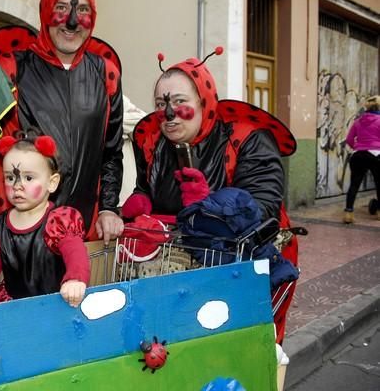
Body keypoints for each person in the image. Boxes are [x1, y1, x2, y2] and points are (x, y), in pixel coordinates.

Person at [122, 49, 299, 342]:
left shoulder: (246, 138)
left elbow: (265, 208)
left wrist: (209, 206)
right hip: (177, 270)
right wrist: (139, 202)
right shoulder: (153, 142)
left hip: (246, 271)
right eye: (160, 104)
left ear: (204, 102)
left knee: (243, 349)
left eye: (180, 102)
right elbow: (148, 189)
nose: (169, 114)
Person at [0, 0, 124, 244]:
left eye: (82, 10)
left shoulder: (106, 74)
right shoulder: (11, 69)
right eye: (61, 7)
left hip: (83, 228)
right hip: (23, 228)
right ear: (46, 8)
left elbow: (111, 151)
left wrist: (109, 207)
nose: (72, 22)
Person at [0, 132, 90, 308]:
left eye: (28, 178)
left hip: (55, 304)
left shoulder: (59, 222)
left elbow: (77, 255)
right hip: (14, 307)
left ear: (52, 182)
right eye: (10, 178)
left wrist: (75, 279)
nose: (17, 185)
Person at [343, 95, 380, 223]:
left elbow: (348, 139)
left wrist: (357, 148)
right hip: (376, 154)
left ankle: (348, 213)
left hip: (358, 155)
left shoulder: (358, 121)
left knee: (354, 184)